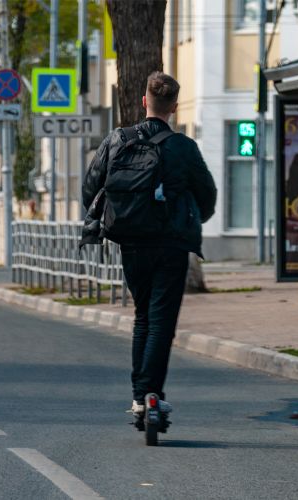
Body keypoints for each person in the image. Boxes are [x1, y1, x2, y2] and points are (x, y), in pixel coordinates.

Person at [82, 72, 217, 417]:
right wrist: (192, 217)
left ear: (144, 101)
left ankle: (140, 398)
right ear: (174, 107)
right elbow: (208, 195)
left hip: (132, 243)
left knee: (142, 316)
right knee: (162, 322)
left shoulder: (117, 140)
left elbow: (89, 188)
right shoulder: (184, 147)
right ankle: (151, 394)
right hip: (172, 245)